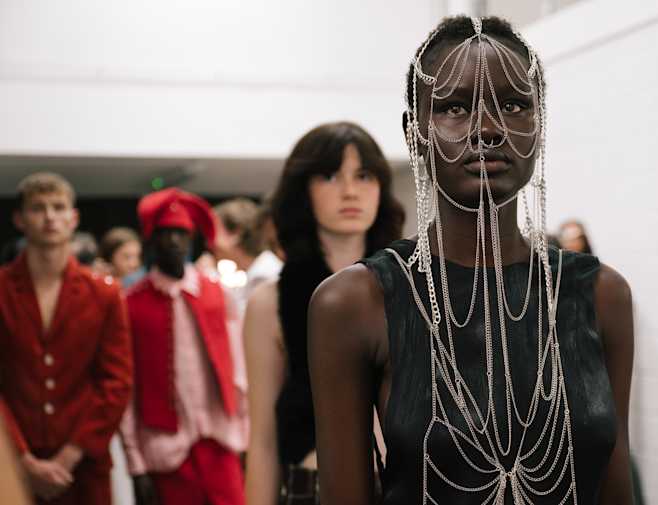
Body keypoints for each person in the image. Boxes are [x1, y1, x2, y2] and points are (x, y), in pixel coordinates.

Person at [307, 16, 634, 504]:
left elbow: (615, 488)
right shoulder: (356, 303)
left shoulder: (600, 295)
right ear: (414, 130)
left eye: (514, 105)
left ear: (539, 126)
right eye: (455, 107)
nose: (487, 128)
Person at [243, 121, 404, 505]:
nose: (350, 191)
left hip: (411, 484)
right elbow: (263, 438)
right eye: (330, 176)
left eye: (363, 175)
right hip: (311, 487)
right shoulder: (271, 302)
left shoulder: (412, 289)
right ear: (304, 190)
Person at [0, 172, 133, 505]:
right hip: (11, 465)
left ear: (73, 219)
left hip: (83, 466)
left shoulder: (104, 293)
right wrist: (21, 457)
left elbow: (116, 381)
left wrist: (70, 455)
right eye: (38, 208)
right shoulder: (1, 289)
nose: (49, 217)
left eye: (58, 208)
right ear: (19, 219)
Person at [120, 188, 248, 505]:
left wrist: (245, 437)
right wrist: (136, 465)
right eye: (166, 234)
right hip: (166, 453)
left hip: (222, 444)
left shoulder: (217, 293)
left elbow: (239, 371)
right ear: (151, 239)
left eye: (182, 233)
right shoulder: (131, 304)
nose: (174, 242)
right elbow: (128, 389)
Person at [213, 197, 283, 311]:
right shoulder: (254, 274)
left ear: (236, 233)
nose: (208, 242)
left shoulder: (266, 276)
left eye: (213, 231)